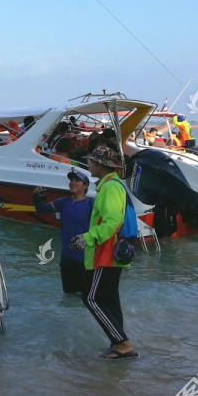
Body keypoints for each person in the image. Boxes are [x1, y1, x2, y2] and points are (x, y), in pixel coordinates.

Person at [70, 146, 138, 360]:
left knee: (90, 298)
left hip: (106, 254)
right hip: (110, 252)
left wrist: (87, 238)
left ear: (101, 165)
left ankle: (122, 343)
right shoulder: (111, 186)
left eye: (91, 161)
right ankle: (118, 343)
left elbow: (111, 222)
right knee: (108, 299)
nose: (88, 164)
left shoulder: (110, 188)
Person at [33, 169, 94, 294]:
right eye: (71, 180)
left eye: (77, 180)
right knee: (68, 297)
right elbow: (41, 210)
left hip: (85, 260)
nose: (72, 183)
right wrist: (37, 196)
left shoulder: (91, 205)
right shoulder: (63, 202)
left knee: (85, 298)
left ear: (85, 186)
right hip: (66, 258)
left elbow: (101, 228)